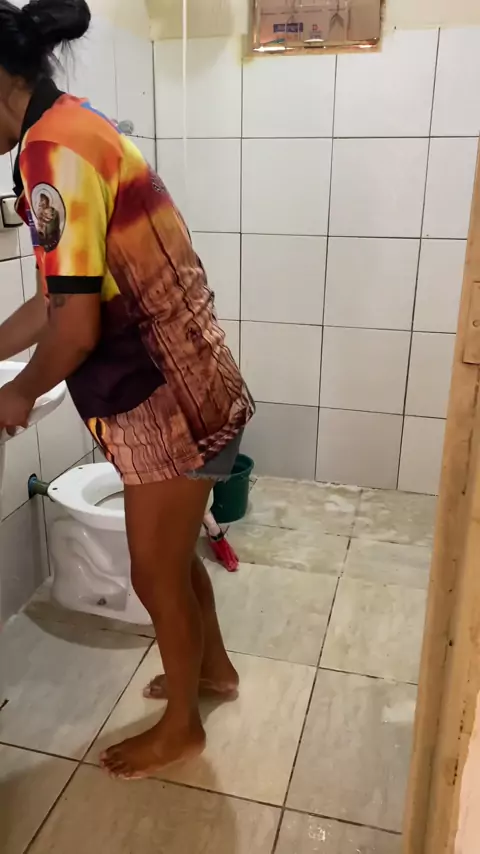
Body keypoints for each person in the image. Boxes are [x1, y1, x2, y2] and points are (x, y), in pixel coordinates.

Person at [0, 0, 254, 779]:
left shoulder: (51, 154)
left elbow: (73, 330)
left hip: (167, 399)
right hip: (191, 382)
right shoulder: (76, 126)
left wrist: (17, 393)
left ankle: (182, 729)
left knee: (153, 571)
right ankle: (212, 672)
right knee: (170, 559)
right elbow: (58, 301)